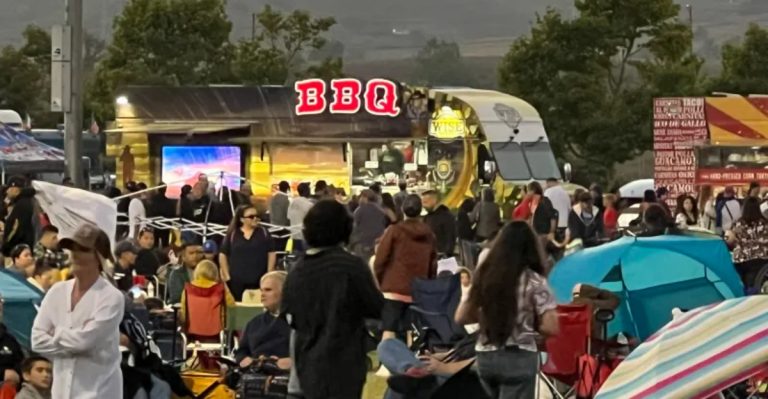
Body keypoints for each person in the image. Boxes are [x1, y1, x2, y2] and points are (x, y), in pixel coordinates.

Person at [282, 200, 384, 399]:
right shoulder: (352, 266)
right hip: (345, 366)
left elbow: (291, 318)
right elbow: (377, 308)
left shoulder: (298, 270)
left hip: (308, 367)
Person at [455, 221, 559, 399]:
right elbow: (551, 327)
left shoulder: (484, 275)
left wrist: (486, 317)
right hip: (520, 356)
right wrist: (530, 324)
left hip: (486, 356)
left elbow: (461, 316)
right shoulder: (535, 281)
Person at [31, 223, 125, 399]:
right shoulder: (56, 291)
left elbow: (84, 342)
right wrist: (77, 342)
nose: (74, 254)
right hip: (60, 393)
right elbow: (36, 340)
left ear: (98, 257)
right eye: (72, 248)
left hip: (99, 393)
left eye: (83, 249)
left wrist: (56, 333)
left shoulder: (111, 297)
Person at [374, 194, 438, 340]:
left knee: (389, 330)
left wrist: (381, 281)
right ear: (420, 210)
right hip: (417, 290)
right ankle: (411, 361)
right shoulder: (429, 234)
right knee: (413, 332)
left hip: (393, 289)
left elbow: (380, 259)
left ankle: (387, 361)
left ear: (402, 209)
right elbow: (433, 265)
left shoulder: (394, 231)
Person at [220, 205, 277, 301]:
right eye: (251, 217)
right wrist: (227, 276)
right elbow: (223, 254)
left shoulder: (263, 233)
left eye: (256, 216)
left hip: (259, 281)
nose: (255, 218)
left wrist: (269, 273)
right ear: (242, 219)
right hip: (236, 283)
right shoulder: (233, 234)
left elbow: (271, 253)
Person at [235, 271, 291, 369]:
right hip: (255, 374)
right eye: (261, 290)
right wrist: (244, 360)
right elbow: (241, 351)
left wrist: (292, 362)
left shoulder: (299, 323)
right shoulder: (254, 323)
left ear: (285, 292)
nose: (262, 295)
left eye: (268, 290)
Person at [726, 197, 768, 289]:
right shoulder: (765, 223)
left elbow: (730, 241)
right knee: (756, 285)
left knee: (742, 285)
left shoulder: (737, 224)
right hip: (761, 260)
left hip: (740, 260)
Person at [179, 260, 235, 327]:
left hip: (192, 331)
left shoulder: (188, 290)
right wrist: (224, 284)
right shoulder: (220, 290)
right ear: (215, 274)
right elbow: (231, 307)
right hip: (216, 331)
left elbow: (184, 314)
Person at [350, 189, 388, 262]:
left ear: (365, 197)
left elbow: (353, 227)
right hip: (377, 245)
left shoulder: (360, 210)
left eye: (361, 196)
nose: (359, 199)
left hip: (362, 244)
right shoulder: (381, 211)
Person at [2, 176, 36, 256]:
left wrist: (6, 246)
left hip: (20, 252)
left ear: (15, 189)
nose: (7, 192)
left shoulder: (22, 205)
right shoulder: (25, 201)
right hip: (24, 250)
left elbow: (15, 229)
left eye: (8, 188)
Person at [166, 239, 204, 304]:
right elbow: (177, 298)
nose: (195, 256)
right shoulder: (176, 274)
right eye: (191, 253)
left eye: (199, 252)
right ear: (183, 256)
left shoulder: (208, 272)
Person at [422, 191, 457, 258]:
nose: (423, 206)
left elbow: (450, 238)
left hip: (442, 259)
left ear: (434, 201)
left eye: (425, 202)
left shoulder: (447, 217)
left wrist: (446, 255)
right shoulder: (427, 217)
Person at [287, 182, 314, 252]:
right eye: (309, 189)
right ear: (307, 191)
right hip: (305, 238)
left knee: (296, 259)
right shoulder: (309, 205)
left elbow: (288, 217)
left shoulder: (292, 203)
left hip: (294, 237)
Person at [544, 178, 571, 242]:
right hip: (565, 224)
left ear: (548, 182)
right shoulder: (565, 193)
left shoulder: (547, 192)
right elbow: (569, 209)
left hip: (552, 226)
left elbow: (544, 208)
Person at [456, 198, 477, 269]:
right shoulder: (463, 214)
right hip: (466, 237)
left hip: (461, 236)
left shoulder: (460, 213)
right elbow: (466, 227)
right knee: (468, 257)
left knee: (464, 257)